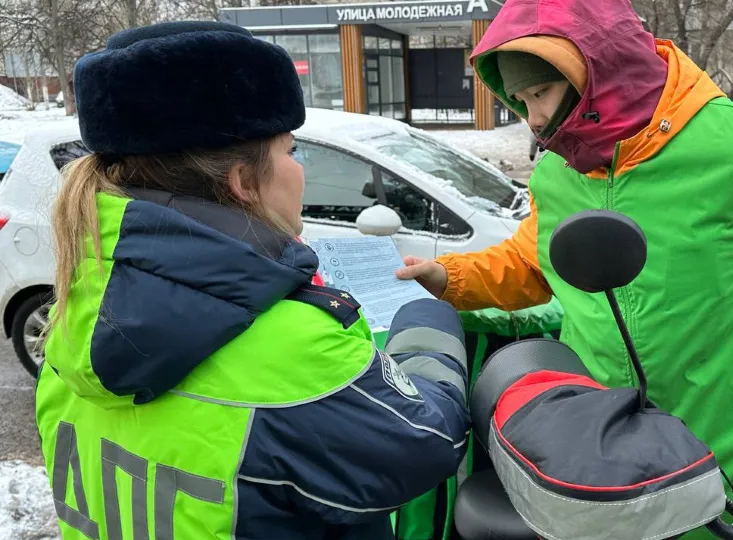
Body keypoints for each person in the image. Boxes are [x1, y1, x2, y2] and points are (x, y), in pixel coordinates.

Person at [396, 0, 733, 537]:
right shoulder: (559, 174)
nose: (533, 119)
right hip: (607, 456)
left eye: (542, 92)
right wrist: (451, 278)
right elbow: (533, 263)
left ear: (597, 72)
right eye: (521, 101)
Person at [36, 21, 469, 540]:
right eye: (291, 151)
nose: (299, 169)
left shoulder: (73, 319)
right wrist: (426, 319)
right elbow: (429, 440)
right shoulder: (294, 347)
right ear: (242, 181)